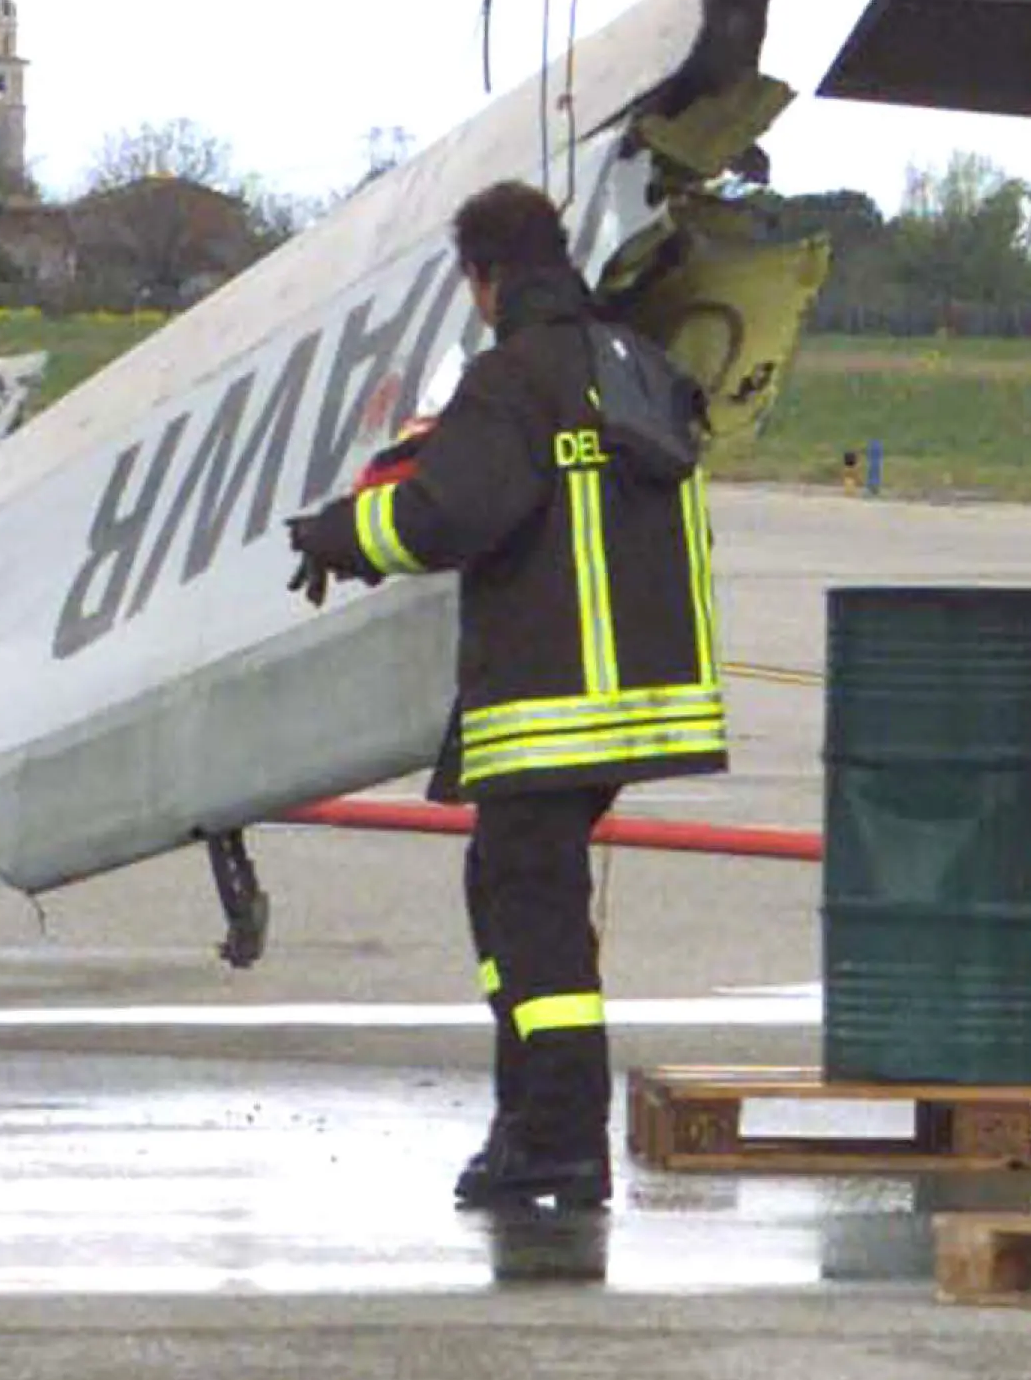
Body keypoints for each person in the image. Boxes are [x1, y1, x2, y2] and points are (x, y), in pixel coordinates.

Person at [284, 180, 729, 1211]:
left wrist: (341, 536)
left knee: (536, 928)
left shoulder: (510, 381)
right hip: (640, 700)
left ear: (481, 279)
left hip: (548, 708)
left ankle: (560, 1143)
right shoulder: (638, 367)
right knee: (514, 897)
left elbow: (448, 517)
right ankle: (526, 1122)